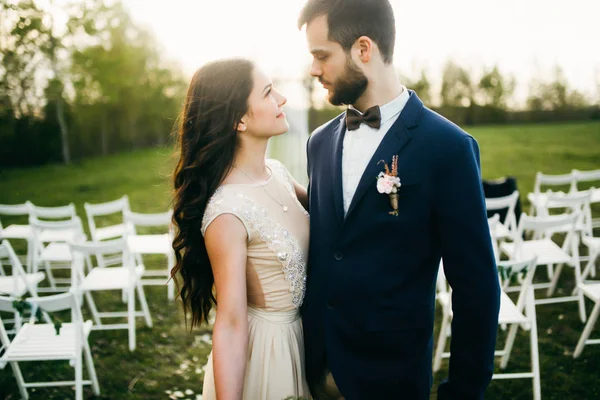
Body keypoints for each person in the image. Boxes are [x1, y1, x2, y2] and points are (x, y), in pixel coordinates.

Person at [297, 0, 501, 399]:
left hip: (391, 377)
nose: (313, 69)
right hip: (313, 372)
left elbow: (476, 286)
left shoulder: (448, 148)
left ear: (363, 49)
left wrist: (463, 390)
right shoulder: (318, 144)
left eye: (322, 55)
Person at [171, 58, 311, 400]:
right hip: (267, 357)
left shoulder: (278, 173)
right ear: (239, 120)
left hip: (304, 342)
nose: (281, 99)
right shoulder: (227, 212)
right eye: (267, 93)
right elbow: (231, 324)